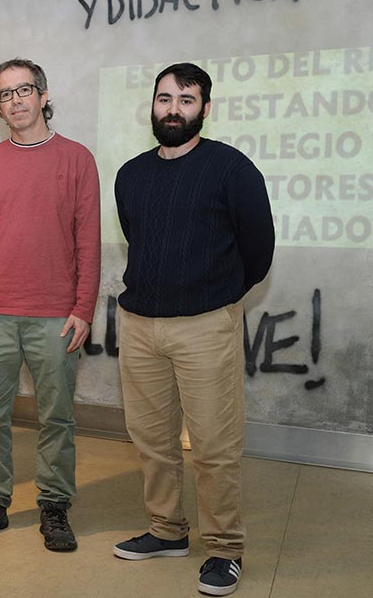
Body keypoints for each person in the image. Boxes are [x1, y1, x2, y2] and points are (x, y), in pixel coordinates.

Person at [112, 62, 274, 596]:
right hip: (138, 325)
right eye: (164, 98)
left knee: (213, 446)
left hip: (205, 325)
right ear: (152, 106)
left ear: (205, 108)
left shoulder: (232, 168)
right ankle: (166, 531)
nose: (173, 108)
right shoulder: (130, 174)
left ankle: (224, 549)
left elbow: (258, 250)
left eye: (186, 99)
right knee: (152, 440)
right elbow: (140, 237)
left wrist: (218, 301)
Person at [0, 58, 101, 552]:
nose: (14, 101)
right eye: (4, 94)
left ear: (42, 94)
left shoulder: (77, 159)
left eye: (23, 90)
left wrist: (83, 307)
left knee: (56, 416)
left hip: (56, 315)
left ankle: (54, 505)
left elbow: (88, 241)